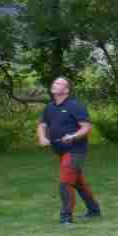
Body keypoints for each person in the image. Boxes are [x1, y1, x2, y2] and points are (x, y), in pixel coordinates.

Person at [37, 76, 101, 224]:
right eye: (54, 82)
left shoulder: (75, 106)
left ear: (66, 90)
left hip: (75, 150)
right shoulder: (50, 107)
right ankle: (94, 210)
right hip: (60, 150)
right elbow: (42, 125)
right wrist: (42, 138)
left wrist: (73, 136)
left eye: (59, 83)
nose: (55, 84)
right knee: (78, 182)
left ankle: (66, 217)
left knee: (65, 181)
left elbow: (86, 127)